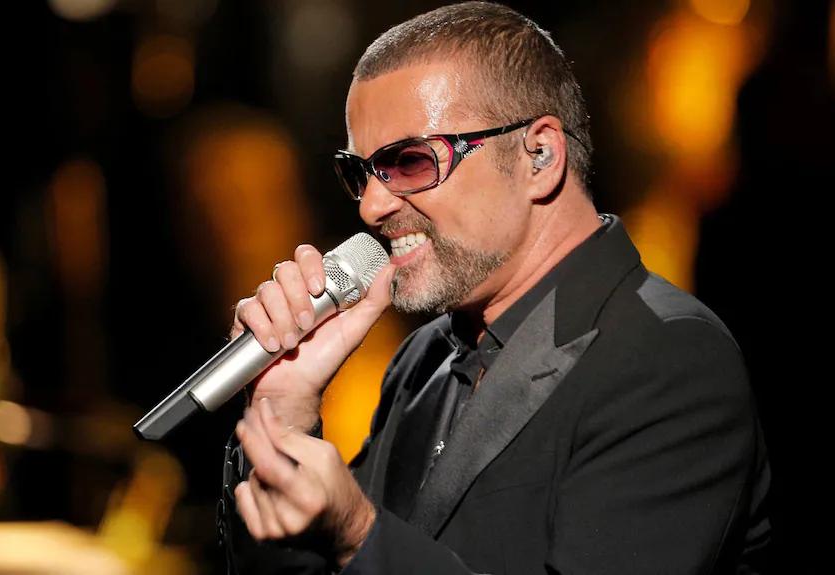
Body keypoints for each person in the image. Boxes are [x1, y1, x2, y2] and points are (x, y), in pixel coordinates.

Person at [216, 2, 771, 573]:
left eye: (411, 161)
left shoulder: (667, 356)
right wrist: (282, 416)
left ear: (540, 155)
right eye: (360, 173)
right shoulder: (425, 358)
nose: (371, 205)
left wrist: (361, 536)